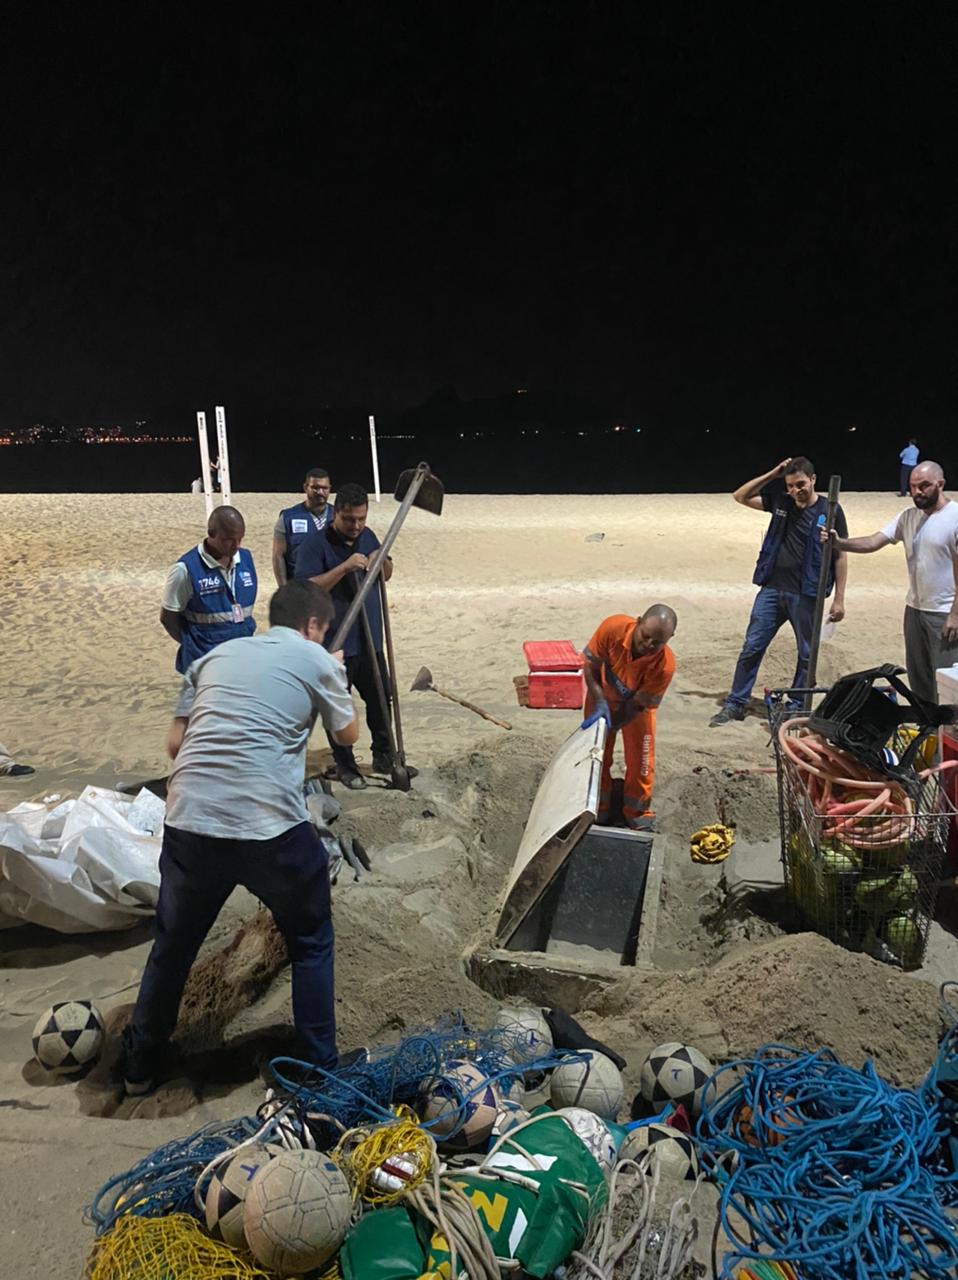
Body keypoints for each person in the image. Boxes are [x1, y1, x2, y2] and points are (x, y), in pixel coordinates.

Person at [121, 580, 360, 1094]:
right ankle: (320, 1063)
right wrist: (335, 676)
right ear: (314, 626)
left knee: (174, 943)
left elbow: (174, 743)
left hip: (188, 821)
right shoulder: (315, 658)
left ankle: (141, 1062)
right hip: (267, 827)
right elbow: (347, 736)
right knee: (311, 938)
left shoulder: (214, 658)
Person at [709, 457, 848, 726]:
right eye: (790, 486)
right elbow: (740, 496)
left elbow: (840, 555)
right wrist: (772, 474)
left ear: (813, 480)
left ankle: (797, 704)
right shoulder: (781, 502)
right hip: (771, 590)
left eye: (801, 484)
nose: (796, 490)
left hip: (807, 595)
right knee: (752, 647)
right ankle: (736, 702)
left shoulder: (829, 510)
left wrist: (839, 599)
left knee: (807, 654)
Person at [828, 460, 958, 706]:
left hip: (944, 613)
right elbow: (874, 541)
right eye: (913, 487)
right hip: (915, 611)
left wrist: (955, 614)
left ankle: (948, 738)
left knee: (945, 681)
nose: (917, 492)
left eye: (924, 486)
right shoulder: (907, 517)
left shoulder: (955, 518)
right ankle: (927, 735)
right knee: (919, 680)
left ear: (941, 484)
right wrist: (840, 543)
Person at [295, 482, 399, 789]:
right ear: (335, 514)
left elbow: (386, 575)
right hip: (335, 643)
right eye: (349, 520)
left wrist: (384, 563)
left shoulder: (368, 537)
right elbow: (307, 590)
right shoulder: (315, 545)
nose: (356, 526)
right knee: (338, 706)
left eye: (361, 519)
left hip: (370, 639)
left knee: (382, 699)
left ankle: (383, 755)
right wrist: (343, 568)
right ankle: (346, 765)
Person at [580, 605, 678, 832]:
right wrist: (601, 702)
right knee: (595, 752)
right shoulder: (612, 629)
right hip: (601, 693)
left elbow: (637, 705)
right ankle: (598, 806)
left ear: (669, 639)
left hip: (635, 707)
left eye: (657, 642)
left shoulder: (664, 666)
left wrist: (614, 725)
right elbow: (590, 666)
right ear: (639, 621)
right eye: (646, 636)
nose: (648, 645)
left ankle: (636, 812)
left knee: (641, 759)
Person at [160, 506, 257, 674]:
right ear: (211, 533)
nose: (236, 545)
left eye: (240, 538)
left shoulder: (246, 559)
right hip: (203, 667)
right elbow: (168, 618)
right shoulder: (184, 570)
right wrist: (193, 644)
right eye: (229, 539)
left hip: (241, 661)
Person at [272, 468, 333, 586]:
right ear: (305, 487)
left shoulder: (338, 516)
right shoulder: (288, 518)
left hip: (332, 587)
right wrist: (284, 589)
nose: (320, 492)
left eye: (324, 488)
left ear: (330, 488)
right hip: (300, 588)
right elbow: (278, 555)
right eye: (315, 488)